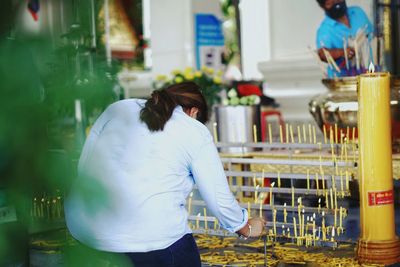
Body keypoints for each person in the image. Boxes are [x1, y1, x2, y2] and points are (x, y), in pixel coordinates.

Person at [65, 82, 266, 267]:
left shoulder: (117, 109)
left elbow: (84, 169)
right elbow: (218, 200)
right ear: (194, 111)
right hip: (150, 242)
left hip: (85, 233)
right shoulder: (193, 130)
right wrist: (245, 227)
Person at [316, 0, 373, 77]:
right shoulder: (324, 30)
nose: (337, 4)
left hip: (371, 75)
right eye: (330, 3)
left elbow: (374, 36)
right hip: (343, 81)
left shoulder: (358, 13)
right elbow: (322, 54)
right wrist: (343, 52)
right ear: (322, 6)